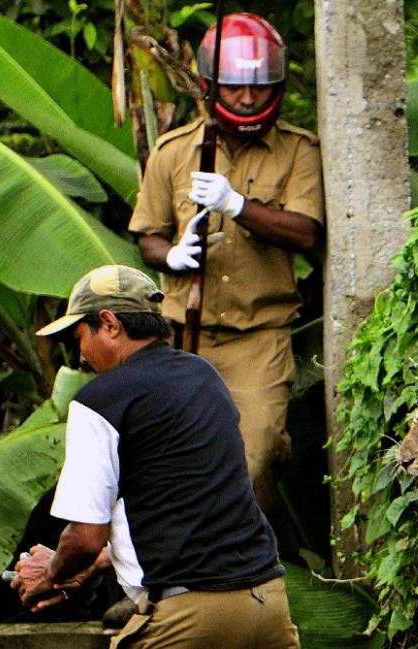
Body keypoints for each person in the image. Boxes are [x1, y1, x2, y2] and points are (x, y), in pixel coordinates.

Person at [12, 265, 300, 649]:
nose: (80, 356)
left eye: (80, 337)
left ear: (110, 324)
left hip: (190, 619)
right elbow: (180, 512)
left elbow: (85, 537)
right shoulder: (203, 376)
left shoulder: (100, 401)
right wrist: (91, 567)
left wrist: (49, 574)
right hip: (267, 605)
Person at [127, 12, 324, 518]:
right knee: (171, 465)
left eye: (260, 87)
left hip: (259, 337)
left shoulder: (299, 150)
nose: (249, 98)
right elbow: (148, 236)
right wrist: (172, 256)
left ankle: (245, 559)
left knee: (257, 457)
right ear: (211, 86)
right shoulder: (173, 151)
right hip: (182, 334)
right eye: (236, 87)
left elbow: (305, 232)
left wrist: (237, 206)